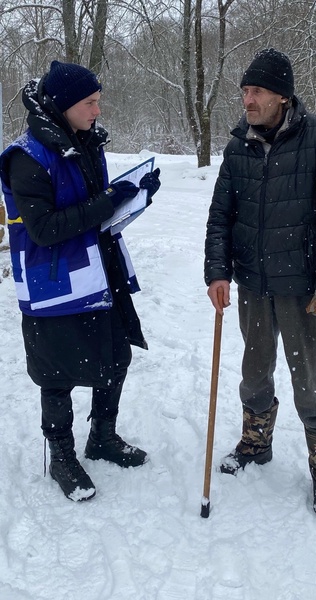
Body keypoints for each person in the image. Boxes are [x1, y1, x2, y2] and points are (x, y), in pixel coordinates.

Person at [204, 48, 316, 516]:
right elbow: (221, 216)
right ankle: (256, 443)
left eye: (256, 91)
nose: (247, 99)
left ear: (282, 96)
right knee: (254, 371)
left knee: (308, 379)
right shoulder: (239, 144)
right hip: (252, 282)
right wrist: (217, 270)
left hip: (303, 287)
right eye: (245, 91)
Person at [0, 61, 161, 502]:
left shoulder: (86, 143)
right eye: (89, 102)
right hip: (53, 281)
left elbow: (94, 211)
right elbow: (45, 230)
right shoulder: (26, 156)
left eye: (97, 101)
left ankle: (102, 438)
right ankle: (62, 456)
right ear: (65, 105)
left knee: (116, 356)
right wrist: (109, 200)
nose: (97, 109)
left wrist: (134, 196)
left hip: (98, 269)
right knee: (57, 375)